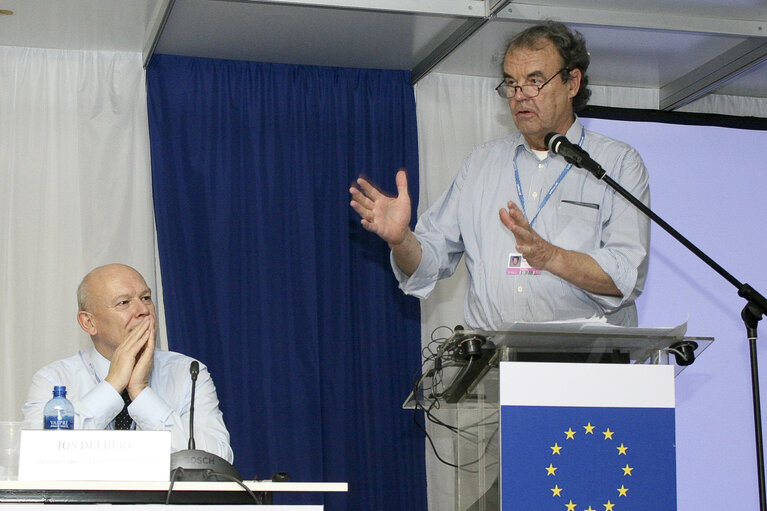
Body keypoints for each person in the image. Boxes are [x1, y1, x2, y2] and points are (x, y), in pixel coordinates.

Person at [350, 21, 650, 329]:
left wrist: (550, 256)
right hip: (495, 365)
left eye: (534, 81)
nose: (520, 96)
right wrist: (402, 240)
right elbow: (428, 263)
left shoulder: (616, 163)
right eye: (511, 83)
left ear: (571, 82)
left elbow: (626, 276)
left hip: (583, 365)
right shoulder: (482, 163)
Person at [22, 263, 233, 462]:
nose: (143, 310)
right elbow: (38, 457)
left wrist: (141, 392)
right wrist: (112, 385)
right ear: (89, 322)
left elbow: (216, 460)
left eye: (146, 297)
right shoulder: (54, 380)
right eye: (124, 303)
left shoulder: (189, 373)